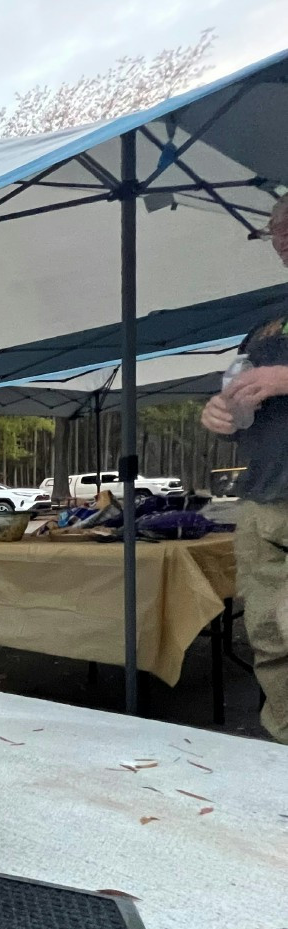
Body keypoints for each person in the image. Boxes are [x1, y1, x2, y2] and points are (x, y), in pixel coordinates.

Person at [200, 192, 288, 743]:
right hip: (262, 502)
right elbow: (235, 400)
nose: (283, 238)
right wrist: (221, 413)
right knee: (269, 636)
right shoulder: (265, 327)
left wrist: (284, 380)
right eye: (275, 229)